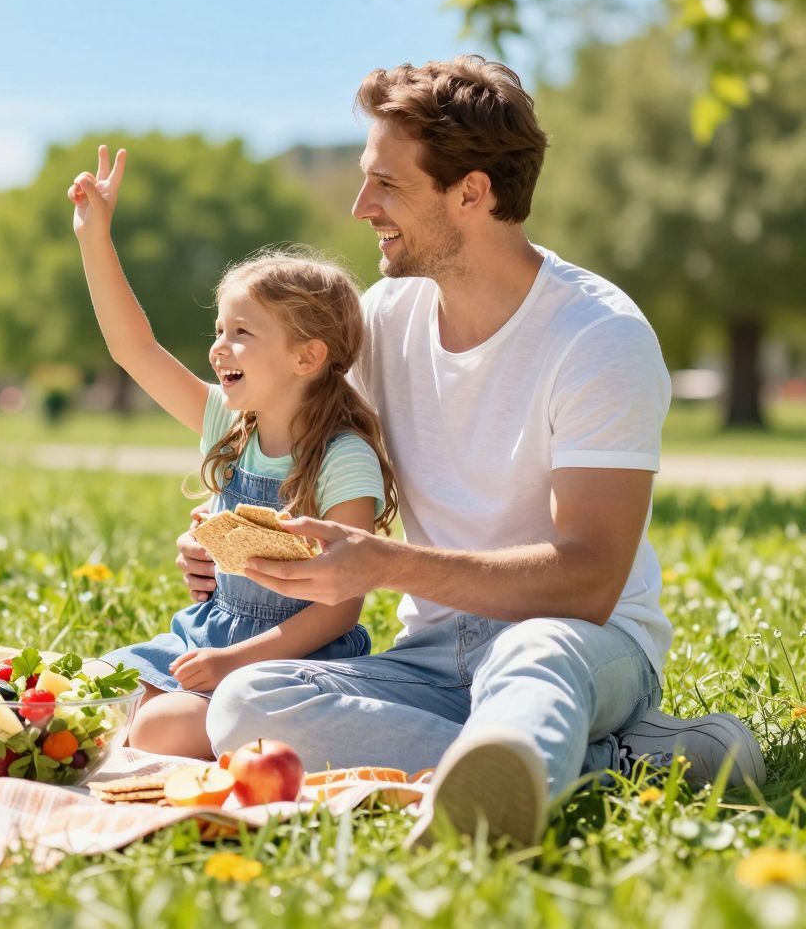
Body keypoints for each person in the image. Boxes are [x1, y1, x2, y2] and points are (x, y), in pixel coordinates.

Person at [181, 57, 764, 846]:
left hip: (580, 642)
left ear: (473, 191)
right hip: (432, 655)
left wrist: (383, 565)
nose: (361, 206)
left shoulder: (599, 337)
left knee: (533, 654)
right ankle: (619, 766)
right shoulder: (386, 318)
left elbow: (588, 581)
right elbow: (283, 415)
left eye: (387, 184)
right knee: (247, 705)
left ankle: (505, 777)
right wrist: (242, 539)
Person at [67, 150, 396, 759]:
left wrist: (232, 663)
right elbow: (133, 347)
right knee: (81, 696)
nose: (220, 348)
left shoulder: (342, 459)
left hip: (293, 658)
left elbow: (340, 608)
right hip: (205, 637)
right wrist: (95, 239)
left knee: (159, 728)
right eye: (220, 330)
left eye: (242, 333)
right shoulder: (229, 421)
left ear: (308, 356)